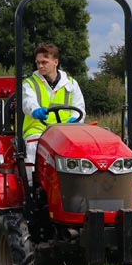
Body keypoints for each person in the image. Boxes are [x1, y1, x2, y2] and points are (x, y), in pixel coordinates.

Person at [21, 43, 85, 182]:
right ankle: (31, 187)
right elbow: (27, 102)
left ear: (56, 62)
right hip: (38, 128)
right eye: (38, 62)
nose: (40, 66)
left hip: (66, 131)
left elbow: (79, 108)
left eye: (44, 62)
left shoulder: (71, 84)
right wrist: (35, 110)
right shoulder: (30, 83)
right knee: (33, 146)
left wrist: (74, 121)